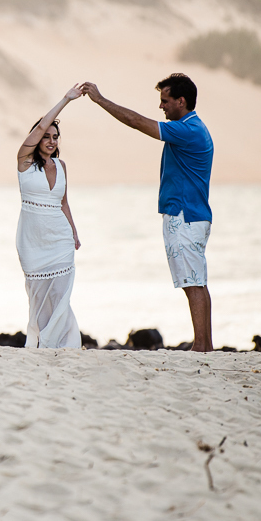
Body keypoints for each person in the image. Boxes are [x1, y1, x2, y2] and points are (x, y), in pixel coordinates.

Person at [82, 74, 215, 352]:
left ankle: (202, 346)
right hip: (191, 215)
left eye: (165, 101)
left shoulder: (187, 129)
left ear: (181, 101)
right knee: (196, 282)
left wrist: (100, 100)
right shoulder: (192, 127)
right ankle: (204, 344)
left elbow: (136, 122)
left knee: (193, 283)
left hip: (185, 215)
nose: (161, 107)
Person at [15, 84, 87, 348]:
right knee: (37, 295)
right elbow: (38, 129)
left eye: (55, 136)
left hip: (60, 239)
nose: (51, 140)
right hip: (33, 241)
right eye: (46, 135)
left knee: (60, 294)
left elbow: (64, 203)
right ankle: (42, 341)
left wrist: (74, 232)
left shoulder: (61, 165)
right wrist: (66, 100)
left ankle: (62, 345)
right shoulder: (24, 161)